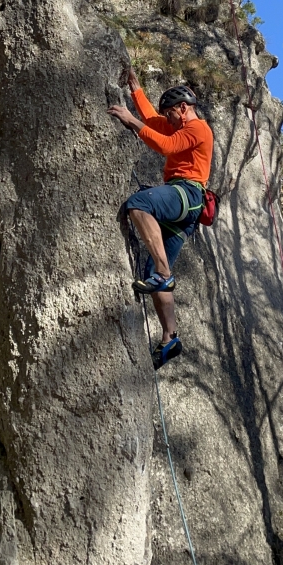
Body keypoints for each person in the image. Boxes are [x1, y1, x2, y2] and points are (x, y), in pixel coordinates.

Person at [108, 69, 214, 370]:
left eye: (171, 113)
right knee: (154, 270)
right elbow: (154, 123)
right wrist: (137, 94)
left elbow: (165, 145)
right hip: (186, 212)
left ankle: (165, 273)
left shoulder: (199, 128)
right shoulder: (178, 126)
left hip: (188, 192)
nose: (167, 119)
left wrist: (130, 120)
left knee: (139, 204)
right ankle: (170, 337)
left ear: (184, 108)